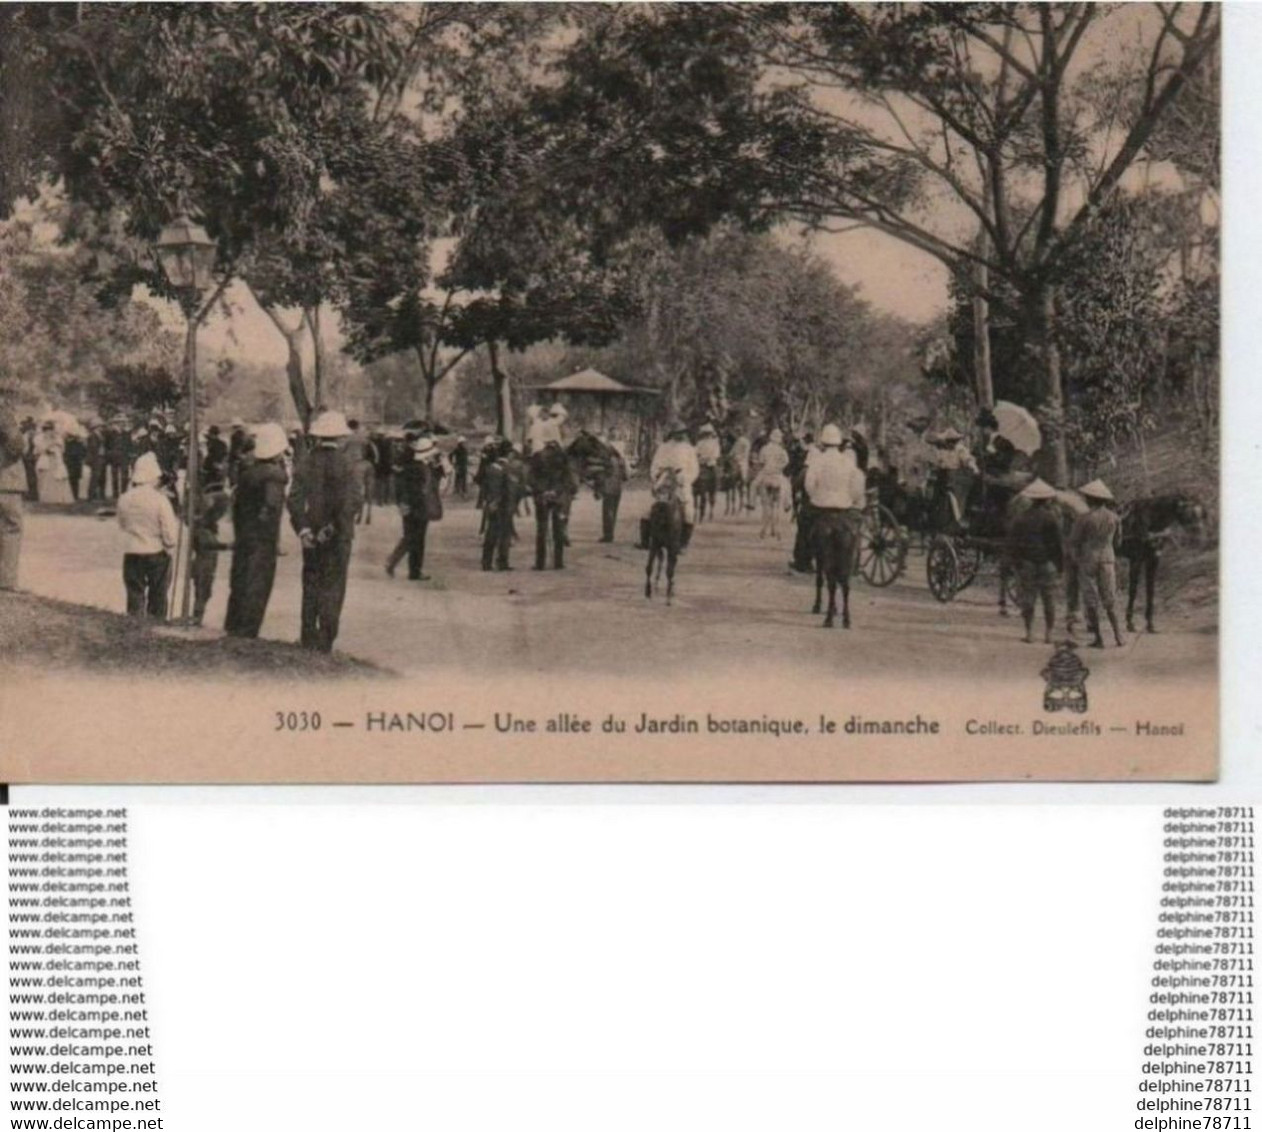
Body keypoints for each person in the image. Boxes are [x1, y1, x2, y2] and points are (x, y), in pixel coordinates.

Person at [287, 410, 362, 652]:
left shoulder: (305, 462)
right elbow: (353, 502)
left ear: (317, 436)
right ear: (340, 437)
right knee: (334, 585)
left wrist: (304, 529)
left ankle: (308, 636)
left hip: (311, 535)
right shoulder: (347, 464)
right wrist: (331, 528)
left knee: (311, 583)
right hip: (338, 536)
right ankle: (326, 639)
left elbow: (294, 500)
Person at [224, 423, 289, 639]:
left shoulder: (249, 473)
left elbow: (238, 507)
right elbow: (271, 507)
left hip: (244, 534)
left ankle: (233, 626)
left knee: (240, 582)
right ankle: (248, 632)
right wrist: (267, 533)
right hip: (262, 539)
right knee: (258, 584)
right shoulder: (275, 476)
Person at [116, 451, 180, 620]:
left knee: (134, 592)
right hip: (155, 550)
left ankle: (135, 623)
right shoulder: (160, 500)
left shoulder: (125, 498)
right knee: (158, 592)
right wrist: (169, 545)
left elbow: (122, 524)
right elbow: (169, 530)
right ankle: (156, 623)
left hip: (132, 550)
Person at [1068, 479, 1125, 649]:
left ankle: (1099, 638)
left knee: (1091, 599)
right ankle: (1118, 636)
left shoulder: (1084, 518)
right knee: (1110, 599)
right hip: (1107, 558)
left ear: (1090, 499)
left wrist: (1077, 557)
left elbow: (1074, 541)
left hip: (1088, 559)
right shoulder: (1114, 518)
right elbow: (1118, 543)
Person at [1009, 478, 1065, 644]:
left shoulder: (1020, 518)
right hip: (1047, 563)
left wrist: (1017, 562)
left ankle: (1030, 633)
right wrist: (1060, 565)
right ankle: (1049, 634)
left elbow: (1014, 543)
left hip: (1027, 563)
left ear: (1031, 499)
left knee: (1028, 599)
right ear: (1047, 499)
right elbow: (1057, 544)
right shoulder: (1051, 518)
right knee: (1049, 600)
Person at [804, 421, 867, 562]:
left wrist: (815, 497)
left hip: (821, 506)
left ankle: (805, 559)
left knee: (805, 523)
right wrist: (850, 499)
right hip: (843, 507)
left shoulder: (817, 460)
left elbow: (809, 485)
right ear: (839, 442)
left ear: (823, 441)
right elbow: (857, 483)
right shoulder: (848, 461)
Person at [388, 435, 445, 581]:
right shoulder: (422, 469)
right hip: (418, 507)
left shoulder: (411, 467)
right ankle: (410, 568)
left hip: (409, 507)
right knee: (417, 539)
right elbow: (422, 490)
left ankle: (400, 563)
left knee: (411, 537)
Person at [528, 421, 578, 570]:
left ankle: (540, 563)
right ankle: (558, 562)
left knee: (542, 530)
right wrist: (556, 491)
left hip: (541, 497)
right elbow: (568, 479)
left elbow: (531, 478)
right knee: (558, 529)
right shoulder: (563, 457)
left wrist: (543, 491)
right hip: (558, 497)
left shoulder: (537, 456)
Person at [643, 420, 699, 550]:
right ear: (672, 433)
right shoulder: (663, 447)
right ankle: (645, 541)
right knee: (646, 510)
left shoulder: (689, 449)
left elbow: (695, 469)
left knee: (689, 512)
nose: (679, 435)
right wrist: (656, 476)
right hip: (664, 478)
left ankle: (683, 544)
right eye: (677, 433)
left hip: (681, 479)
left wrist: (686, 479)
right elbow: (655, 465)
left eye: (681, 433)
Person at [190, 486, 232, 627]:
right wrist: (228, 546)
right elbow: (207, 544)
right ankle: (197, 616)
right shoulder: (203, 527)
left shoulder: (205, 524)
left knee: (205, 590)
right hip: (204, 561)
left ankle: (198, 615)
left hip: (207, 560)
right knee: (202, 589)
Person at [0, 406, 28, 589]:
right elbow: (17, 444)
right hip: (6, 481)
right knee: (11, 528)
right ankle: (8, 580)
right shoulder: (3, 413)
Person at [479, 438, 517, 571]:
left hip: (492, 503)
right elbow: (509, 489)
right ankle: (502, 562)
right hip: (503, 505)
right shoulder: (507, 469)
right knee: (504, 535)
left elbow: (483, 484)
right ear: (509, 454)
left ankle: (486, 562)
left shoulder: (490, 468)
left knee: (491, 533)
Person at [752, 427, 789, 540]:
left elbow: (761, 461)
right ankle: (787, 504)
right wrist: (779, 467)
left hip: (766, 475)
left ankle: (751, 502)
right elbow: (786, 461)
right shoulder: (782, 450)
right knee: (779, 500)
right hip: (777, 475)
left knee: (753, 485)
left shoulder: (764, 448)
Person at [596, 434, 628, 543]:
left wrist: (599, 488)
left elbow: (601, 474)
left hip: (608, 488)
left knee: (607, 512)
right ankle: (610, 534)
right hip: (618, 489)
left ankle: (608, 535)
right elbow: (625, 476)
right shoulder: (621, 460)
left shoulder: (608, 460)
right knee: (613, 512)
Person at [34, 422, 74, 505]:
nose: (49, 432)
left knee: (58, 479)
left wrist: (57, 446)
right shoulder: (39, 438)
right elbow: (40, 450)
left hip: (56, 460)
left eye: (51, 430)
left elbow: (62, 450)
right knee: (45, 480)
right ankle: (46, 498)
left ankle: (58, 498)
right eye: (47, 430)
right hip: (45, 460)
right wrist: (51, 444)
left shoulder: (58, 438)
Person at [105, 416, 131, 499]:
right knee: (114, 476)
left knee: (125, 476)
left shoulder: (127, 433)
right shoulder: (111, 434)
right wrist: (110, 454)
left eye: (123, 422)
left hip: (124, 456)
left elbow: (129, 445)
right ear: (116, 424)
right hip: (114, 457)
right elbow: (107, 445)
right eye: (119, 422)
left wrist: (129, 455)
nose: (121, 424)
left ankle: (124, 493)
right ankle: (115, 494)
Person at [86, 419, 107, 501]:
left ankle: (96, 494)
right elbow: (93, 447)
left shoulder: (99, 435)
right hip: (95, 458)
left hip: (100, 457)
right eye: (100, 426)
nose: (102, 428)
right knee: (95, 476)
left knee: (99, 476)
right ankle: (91, 496)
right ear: (96, 427)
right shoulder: (92, 436)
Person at [203, 424, 229, 491]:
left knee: (210, 489)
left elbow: (210, 458)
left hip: (212, 470)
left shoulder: (212, 444)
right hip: (220, 469)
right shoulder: (223, 444)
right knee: (219, 488)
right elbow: (225, 456)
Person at [63, 428, 86, 501]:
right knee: (74, 480)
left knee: (72, 480)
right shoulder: (77, 443)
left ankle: (73, 495)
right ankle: (74, 495)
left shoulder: (69, 443)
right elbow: (82, 453)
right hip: (75, 463)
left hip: (72, 463)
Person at [20, 417, 38, 501]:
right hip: (34, 457)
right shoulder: (36, 434)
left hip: (28, 457)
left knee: (30, 475)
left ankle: (32, 494)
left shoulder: (27, 435)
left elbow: (25, 448)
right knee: (32, 475)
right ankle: (33, 493)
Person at [227, 419, 249, 487]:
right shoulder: (245, 435)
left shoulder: (236, 436)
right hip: (241, 461)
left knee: (234, 483)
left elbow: (235, 451)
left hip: (235, 462)